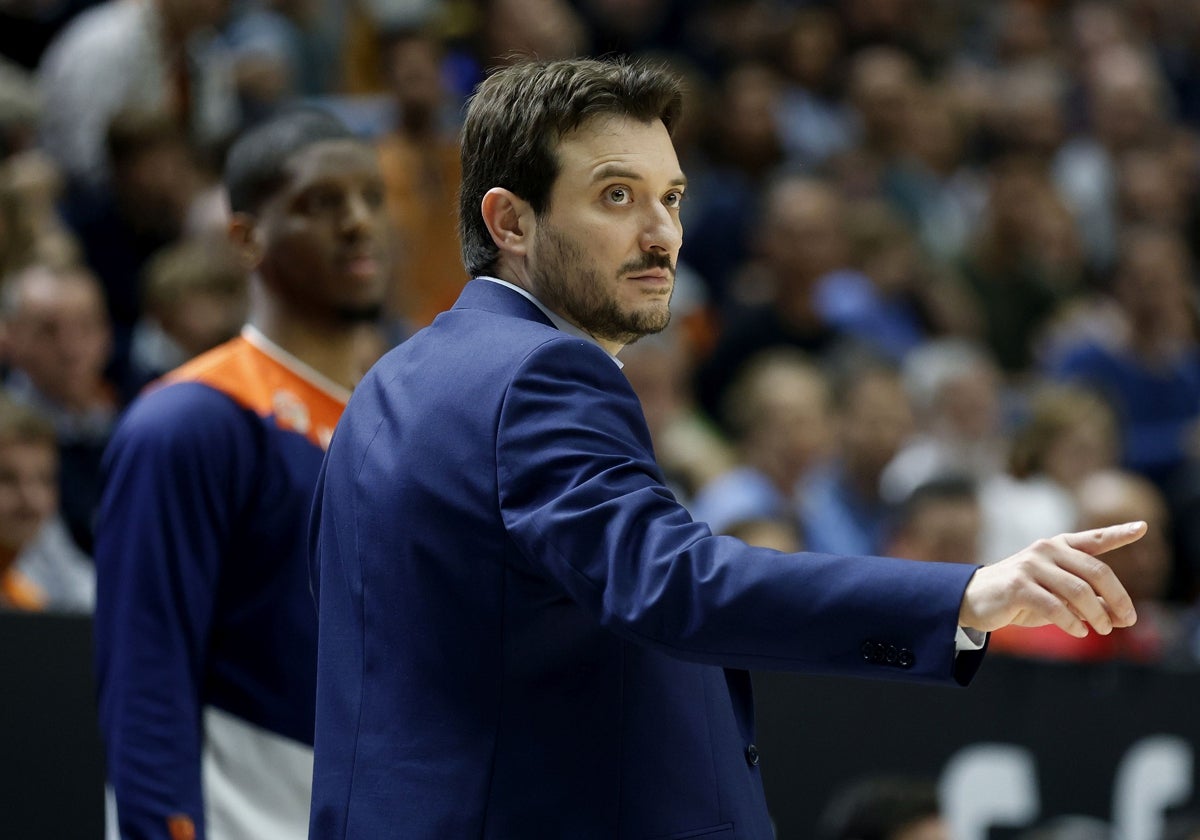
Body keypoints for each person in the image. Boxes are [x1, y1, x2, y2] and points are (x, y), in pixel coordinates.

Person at [308, 57, 1143, 839]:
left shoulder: (392, 381)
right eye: (616, 197)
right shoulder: (539, 373)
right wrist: (967, 595)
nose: (662, 234)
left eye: (670, 197)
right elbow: (677, 584)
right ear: (510, 220)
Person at [93, 108, 390, 840]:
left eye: (370, 199)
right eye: (322, 203)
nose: (358, 223)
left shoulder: (416, 415)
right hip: (248, 814)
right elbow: (145, 671)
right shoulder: (190, 421)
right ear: (245, 236)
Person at [0, 394, 94, 613]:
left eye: (44, 479)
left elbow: (88, 596)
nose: (30, 499)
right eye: (6, 478)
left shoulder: (48, 534)